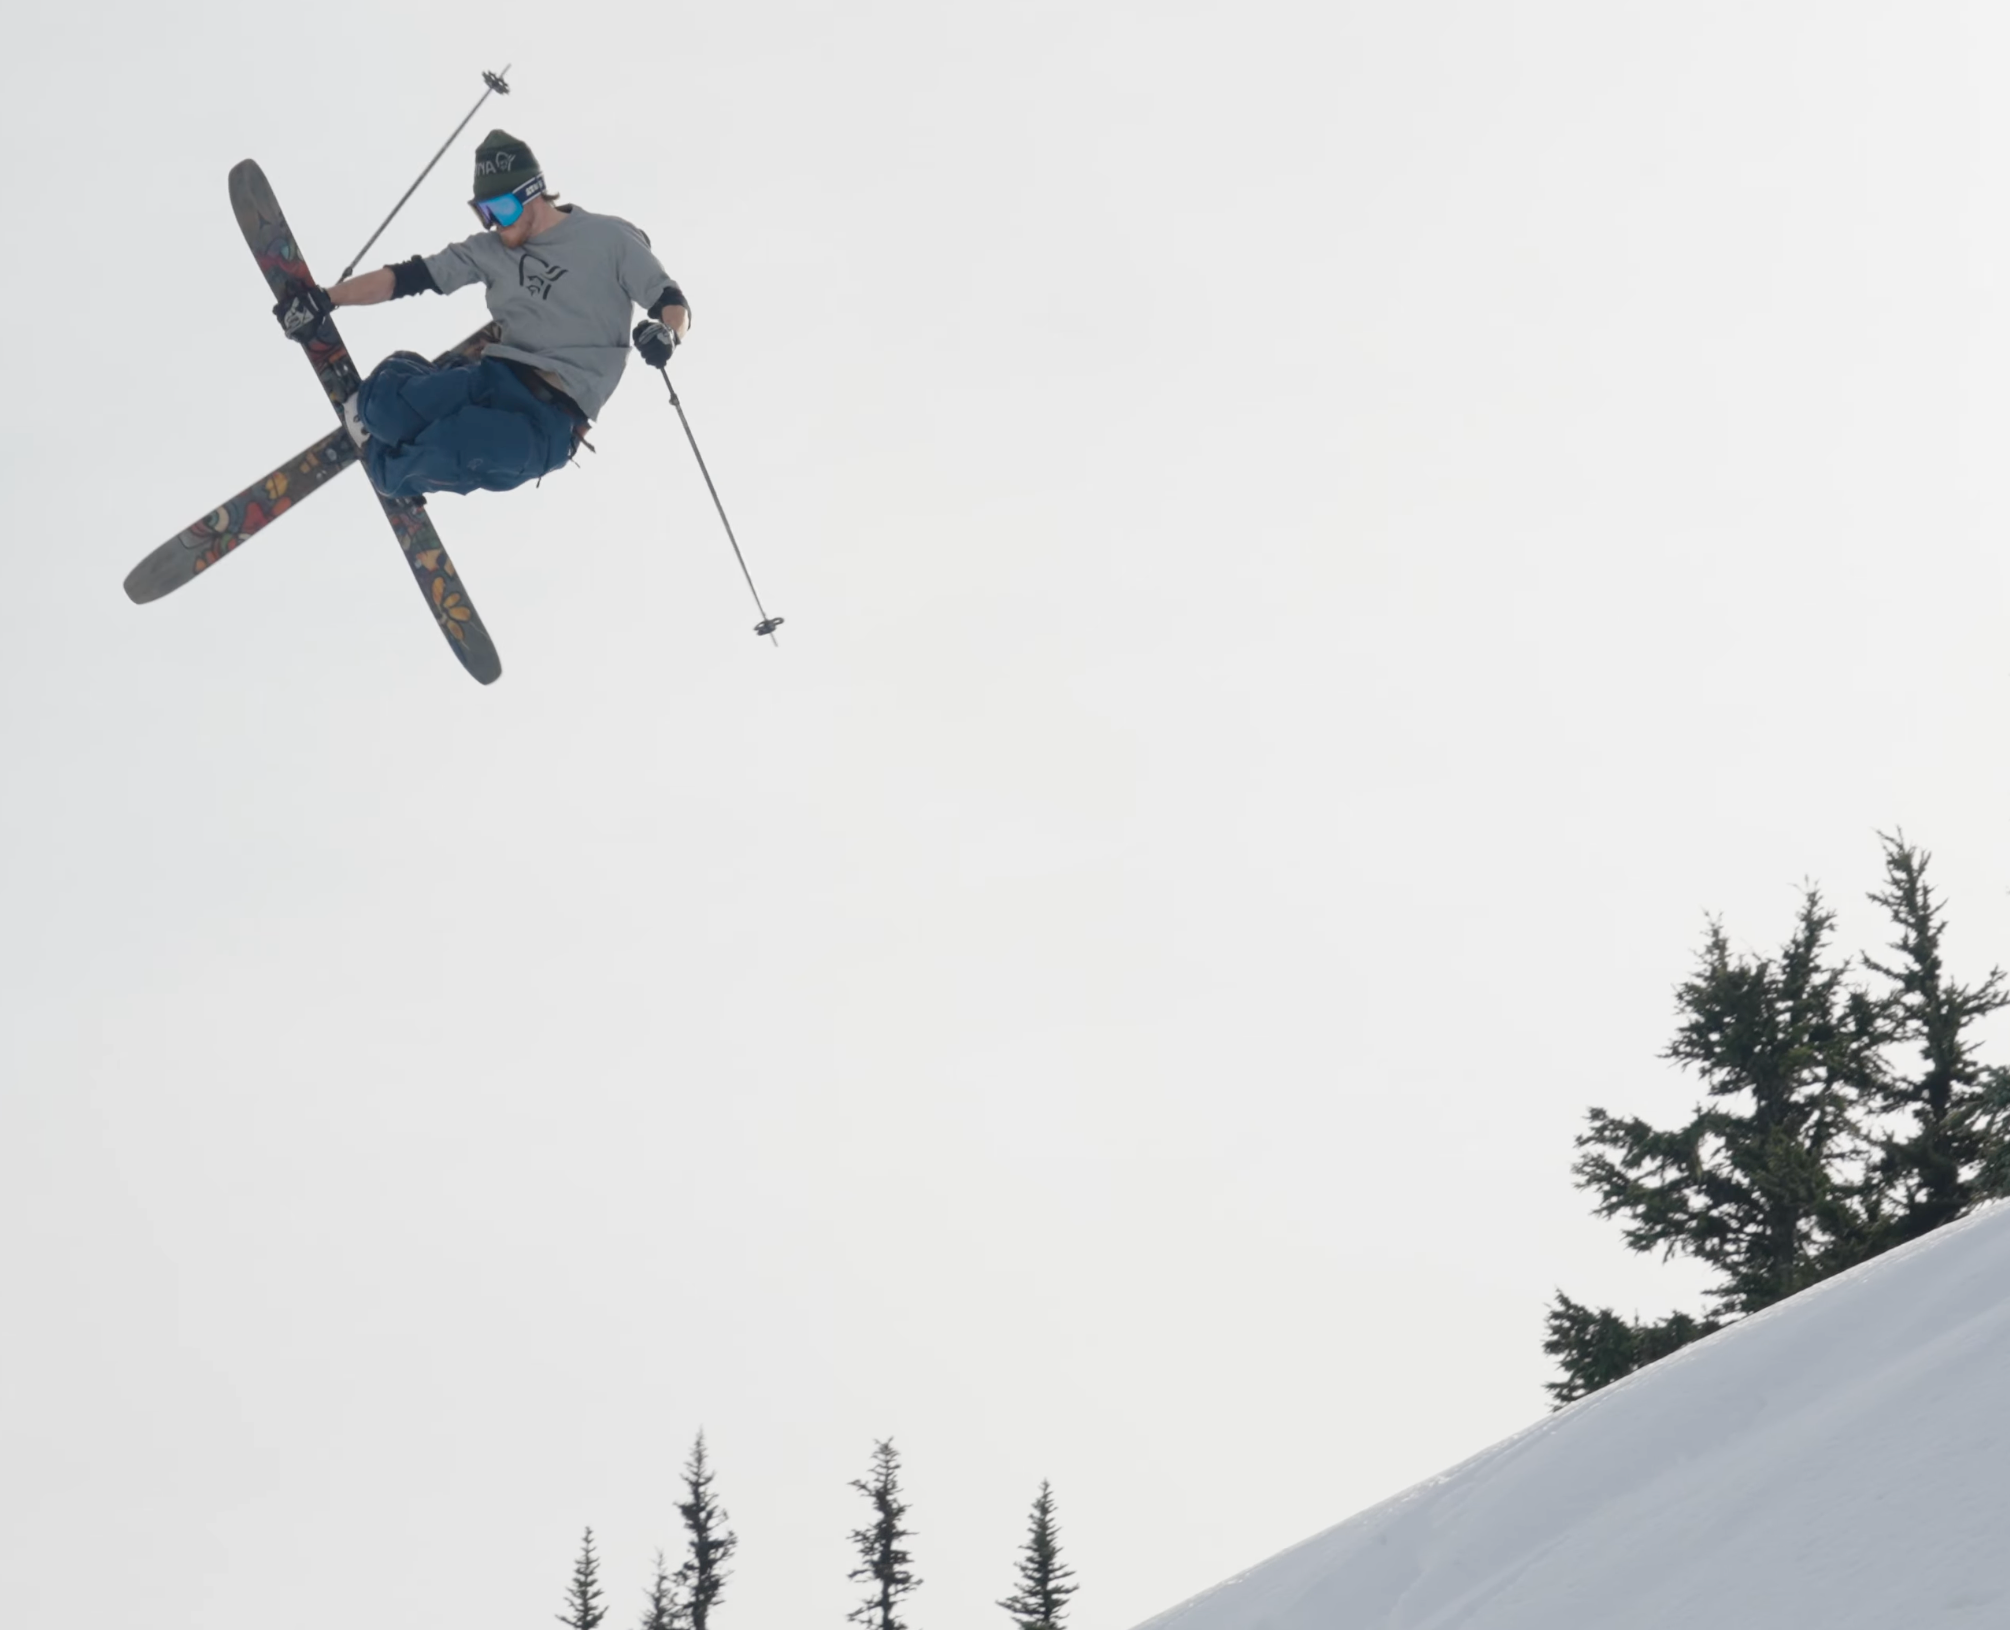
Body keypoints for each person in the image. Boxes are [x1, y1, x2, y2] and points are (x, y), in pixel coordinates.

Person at [273, 129, 690, 498]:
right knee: (382, 408)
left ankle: (397, 465)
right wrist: (326, 299)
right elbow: (406, 278)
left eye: (502, 210)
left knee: (441, 456)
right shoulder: (489, 251)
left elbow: (672, 301)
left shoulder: (609, 238)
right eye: (484, 213)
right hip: (494, 379)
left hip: (547, 423)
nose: (495, 225)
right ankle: (390, 409)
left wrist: (668, 335)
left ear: (533, 192)